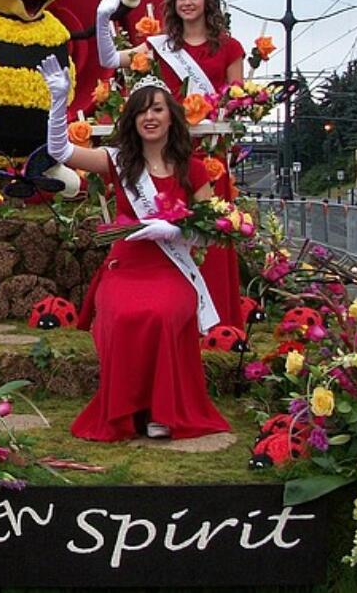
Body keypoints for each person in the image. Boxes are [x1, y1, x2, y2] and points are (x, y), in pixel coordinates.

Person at [40, 56, 230, 442]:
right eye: (141, 111)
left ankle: (162, 411)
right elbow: (59, 152)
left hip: (170, 268)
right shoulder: (118, 162)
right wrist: (58, 102)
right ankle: (129, 411)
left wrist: (174, 230)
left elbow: (213, 229)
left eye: (157, 109)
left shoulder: (192, 169)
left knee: (162, 313)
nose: (150, 117)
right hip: (126, 266)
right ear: (132, 120)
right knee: (123, 315)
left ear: (172, 116)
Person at [97, 0, 246, 331]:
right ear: (173, 4)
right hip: (164, 146)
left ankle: (215, 320)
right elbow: (109, 59)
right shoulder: (161, 45)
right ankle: (166, 305)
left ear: (207, 1)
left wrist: (223, 110)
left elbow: (238, 96)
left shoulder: (228, 46)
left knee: (208, 226)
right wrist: (103, 18)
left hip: (208, 150)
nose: (188, 3)